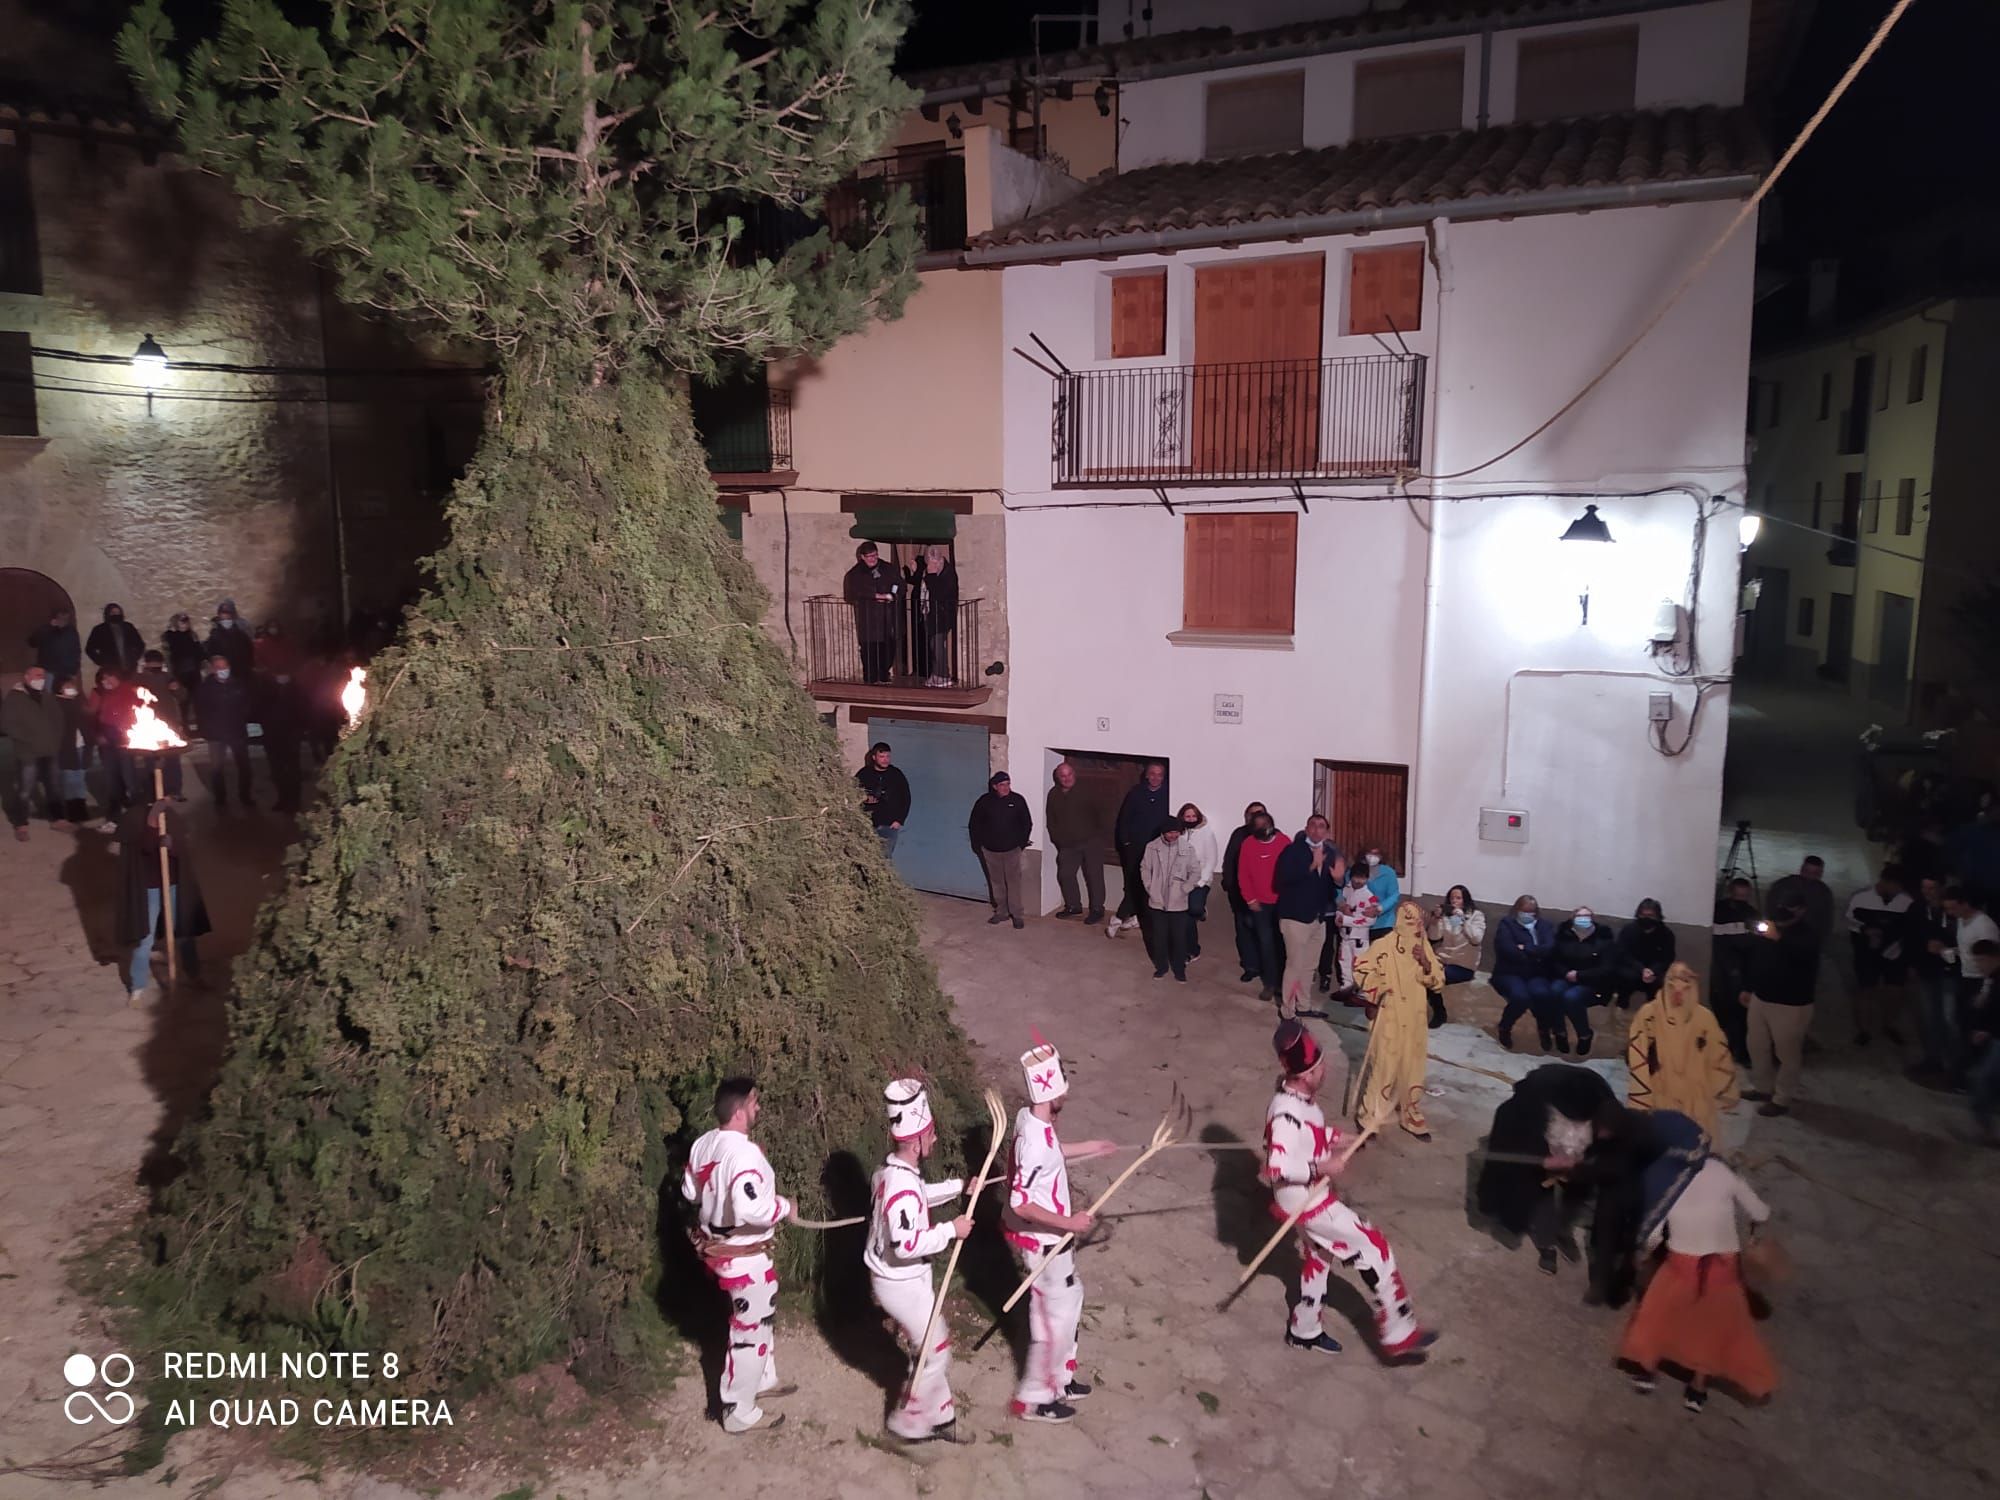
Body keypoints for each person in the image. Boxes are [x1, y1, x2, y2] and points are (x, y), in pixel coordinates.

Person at [1262, 1020, 1436, 1360]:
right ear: (1306, 1074)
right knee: (1374, 1247)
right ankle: (1399, 1333)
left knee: (1319, 1257)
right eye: (1319, 1067)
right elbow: (1277, 1168)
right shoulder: (1285, 1113)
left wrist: (1341, 1139)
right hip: (1305, 1199)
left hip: (1306, 1195)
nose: (1325, 1070)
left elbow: (1310, 1134)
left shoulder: (1298, 1099)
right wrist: (1322, 1168)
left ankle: (1304, 1329)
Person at [1003, 1037, 1116, 1425]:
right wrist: (1070, 1223)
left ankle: (1061, 1379)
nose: (1067, 1092)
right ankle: (1035, 1398)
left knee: (1070, 1300)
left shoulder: (1033, 1119)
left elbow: (1053, 1151)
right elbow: (1021, 1202)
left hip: (1054, 1238)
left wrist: (1091, 1147)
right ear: (1051, 1092)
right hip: (1044, 1241)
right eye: (1063, 1087)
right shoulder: (1034, 1141)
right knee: (1052, 1317)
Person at [1618, 1155, 1776, 1414]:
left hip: (1682, 1264)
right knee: (1713, 1329)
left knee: (1656, 1317)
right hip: (1723, 1268)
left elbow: (1653, 1232)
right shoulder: (1724, 1172)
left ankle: (1647, 1371)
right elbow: (1762, 1212)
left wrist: (1648, 1252)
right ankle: (1697, 1389)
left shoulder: (1668, 1178)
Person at [681, 1076, 795, 1435]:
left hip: (721, 1251)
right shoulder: (744, 1153)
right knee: (749, 1330)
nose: (758, 1107)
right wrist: (783, 1207)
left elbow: (690, 1191)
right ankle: (737, 1410)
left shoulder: (703, 1144)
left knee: (760, 1317)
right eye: (754, 1101)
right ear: (740, 1109)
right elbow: (749, 1209)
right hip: (743, 1258)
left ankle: (762, 1378)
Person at [865, 1078, 972, 1444]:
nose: (935, 1139)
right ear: (916, 1143)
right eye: (931, 1134)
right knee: (934, 1350)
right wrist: (951, 1230)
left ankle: (941, 1417)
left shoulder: (893, 1170)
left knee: (927, 1347)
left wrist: (959, 1187)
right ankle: (907, 1424)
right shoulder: (900, 1185)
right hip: (900, 1282)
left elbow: (919, 1194)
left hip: (904, 1279)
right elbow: (905, 1243)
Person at [1474, 1064, 1618, 1280]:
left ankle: (1564, 1231)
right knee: (1540, 1198)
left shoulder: (1601, 1106)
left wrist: (1585, 1160)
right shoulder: (1521, 1109)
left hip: (1577, 1165)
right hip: (1539, 1160)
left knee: (1578, 1195)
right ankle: (1546, 1246)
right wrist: (1543, 1160)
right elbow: (1510, 1147)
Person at [1350, 899, 1443, 1140]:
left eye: (1419, 923)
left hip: (1414, 1016)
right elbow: (1360, 969)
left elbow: (1438, 981)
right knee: (1384, 1067)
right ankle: (1369, 1117)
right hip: (1389, 1014)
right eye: (1412, 922)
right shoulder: (1383, 945)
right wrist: (1379, 988)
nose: (1417, 928)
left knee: (1413, 1066)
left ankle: (1410, 1114)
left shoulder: (1423, 947)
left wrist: (1425, 963)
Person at [1626, 961, 1739, 1138]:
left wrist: (1723, 1090)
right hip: (1660, 1091)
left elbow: (1718, 1057)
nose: (1678, 992)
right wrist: (1641, 1097)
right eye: (1672, 984)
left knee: (1695, 1142)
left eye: (1685, 984)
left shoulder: (1705, 1018)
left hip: (1695, 1097)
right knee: (1660, 1141)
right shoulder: (1648, 1015)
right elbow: (1638, 1055)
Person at [117, 799, 209, 1004]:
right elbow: (142, 849)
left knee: (184, 933)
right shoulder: (135, 817)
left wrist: (171, 846)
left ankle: (194, 975)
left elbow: (183, 850)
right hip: (149, 888)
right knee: (145, 938)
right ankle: (138, 987)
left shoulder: (171, 815)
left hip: (174, 885)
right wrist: (152, 824)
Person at [1741, 903, 1820, 1117]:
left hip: (1790, 1004)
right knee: (1756, 1046)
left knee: (1787, 1053)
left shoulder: (1807, 935)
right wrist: (1748, 987)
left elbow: (1804, 958)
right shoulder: (1769, 929)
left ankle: (1782, 1098)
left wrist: (1780, 939)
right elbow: (1756, 959)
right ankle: (1762, 1088)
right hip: (1761, 998)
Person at [1274, 815, 1343, 1020]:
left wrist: (1338, 880)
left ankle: (1303, 1006)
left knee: (1309, 966)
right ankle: (1287, 1011)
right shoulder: (1293, 851)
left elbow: (1329, 887)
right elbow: (1282, 879)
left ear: (1327, 832)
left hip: (1318, 918)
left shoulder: (1330, 853)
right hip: (1295, 917)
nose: (1316, 830)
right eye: (1313, 825)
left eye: (1321, 827)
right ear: (1306, 829)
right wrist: (1311, 866)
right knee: (1295, 964)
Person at [1845, 865, 1913, 1047]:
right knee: (1866, 990)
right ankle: (1864, 1030)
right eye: (1896, 886)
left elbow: (1911, 927)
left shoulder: (1906, 901)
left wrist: (1901, 947)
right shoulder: (1860, 897)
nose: (1898, 891)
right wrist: (1865, 930)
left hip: (1895, 954)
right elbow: (1849, 921)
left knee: (1895, 992)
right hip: (1866, 953)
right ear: (1885, 882)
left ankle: (1889, 1025)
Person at [1943, 886, 2000, 1088]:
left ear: (1965, 904)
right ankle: (1964, 1075)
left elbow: (1991, 960)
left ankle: (1973, 1076)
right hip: (1965, 978)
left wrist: (1985, 991)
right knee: (1962, 1026)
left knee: (1974, 1030)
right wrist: (1953, 952)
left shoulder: (1984, 926)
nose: (1950, 913)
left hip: (1980, 982)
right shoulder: (1961, 920)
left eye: (1953, 908)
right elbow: (1970, 950)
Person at [1109, 763, 1170, 948]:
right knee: (1134, 882)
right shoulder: (1136, 793)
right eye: (1152, 774)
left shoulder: (1168, 794)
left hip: (1157, 849)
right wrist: (1125, 842)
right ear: (1146, 775)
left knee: (1149, 884)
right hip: (1135, 847)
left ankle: (1125, 916)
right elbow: (1124, 819)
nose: (1155, 778)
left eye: (1159, 774)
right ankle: (1122, 916)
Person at [1907, 875, 1960, 1087]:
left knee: (1950, 1020)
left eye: (1932, 888)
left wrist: (1945, 946)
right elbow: (1910, 936)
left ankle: (1955, 1066)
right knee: (1930, 1018)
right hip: (1927, 970)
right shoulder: (1917, 908)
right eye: (1924, 887)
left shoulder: (1952, 909)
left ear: (1942, 888)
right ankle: (1934, 1059)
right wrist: (1912, 963)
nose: (1927, 892)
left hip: (1950, 973)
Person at [2, 666, 64, 840]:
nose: (41, 678)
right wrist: (28, 738)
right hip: (28, 752)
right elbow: (7, 724)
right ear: (27, 677)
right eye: (37, 675)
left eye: (43, 675)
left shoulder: (47, 696)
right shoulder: (14, 698)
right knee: (25, 789)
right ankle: (21, 824)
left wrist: (55, 739)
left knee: (54, 787)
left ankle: (58, 819)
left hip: (49, 750)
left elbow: (58, 719)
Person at [1236, 810, 1290, 1003]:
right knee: (1266, 944)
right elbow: (1243, 874)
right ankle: (1270, 983)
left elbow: (1292, 870)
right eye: (1257, 825)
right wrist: (1250, 899)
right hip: (1260, 905)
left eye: (1264, 824)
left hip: (1283, 902)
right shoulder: (1248, 844)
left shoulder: (1284, 842)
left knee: (1283, 943)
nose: (1262, 828)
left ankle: (1284, 984)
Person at [1491, 895, 1558, 1052]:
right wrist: (1536, 954)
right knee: (1520, 997)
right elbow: (1508, 949)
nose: (1527, 915)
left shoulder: (1545, 926)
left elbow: (1549, 948)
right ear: (1517, 910)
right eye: (1524, 911)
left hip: (1536, 973)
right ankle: (1505, 1027)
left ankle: (1543, 1029)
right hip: (1510, 972)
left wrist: (1526, 948)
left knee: (1542, 994)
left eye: (1531, 911)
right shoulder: (1507, 924)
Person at [1140, 817, 1203, 982]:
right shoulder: (1152, 847)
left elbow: (1195, 871)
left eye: (1176, 832)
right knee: (1159, 937)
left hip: (1178, 901)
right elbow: (1145, 868)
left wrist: (1185, 888)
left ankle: (1180, 969)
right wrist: (1150, 887)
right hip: (1157, 900)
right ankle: (1161, 967)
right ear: (1163, 832)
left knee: (1178, 937)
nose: (1173, 835)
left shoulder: (1187, 848)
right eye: (1170, 832)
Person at [1550, 905, 1619, 1055]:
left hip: (1591, 982)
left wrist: (1580, 975)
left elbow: (1607, 968)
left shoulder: (1603, 940)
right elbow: (1555, 959)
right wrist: (1566, 973)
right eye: (1579, 916)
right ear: (1573, 919)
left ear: (1592, 919)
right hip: (1566, 977)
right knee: (1554, 991)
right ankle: (1559, 1031)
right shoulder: (1564, 936)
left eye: (1587, 916)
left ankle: (1584, 1034)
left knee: (1571, 997)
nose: (1583, 919)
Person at [969, 772, 1032, 929]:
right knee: (996, 882)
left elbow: (1027, 823)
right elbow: (974, 824)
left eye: (1008, 784)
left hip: (1012, 850)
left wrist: (1020, 844)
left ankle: (1017, 914)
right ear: (995, 786)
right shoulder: (984, 802)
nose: (1006, 788)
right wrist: (978, 845)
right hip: (990, 851)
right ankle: (1001, 912)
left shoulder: (1017, 800)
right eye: (1002, 785)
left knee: (1013, 882)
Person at [1709, 877, 1762, 1063]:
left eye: (1744, 896)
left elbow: (1756, 946)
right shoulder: (1718, 911)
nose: (1741, 900)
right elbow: (1719, 944)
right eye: (1738, 895)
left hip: (1742, 971)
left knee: (1742, 1013)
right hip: (1723, 970)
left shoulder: (1752, 914)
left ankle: (1742, 1051)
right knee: (1723, 1010)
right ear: (1730, 893)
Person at [1045, 761, 1105, 924]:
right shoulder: (1054, 794)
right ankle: (1073, 906)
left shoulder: (1088, 791)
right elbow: (1051, 819)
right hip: (1067, 845)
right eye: (1062, 776)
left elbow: (1102, 813)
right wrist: (1057, 839)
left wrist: (1099, 836)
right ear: (1058, 778)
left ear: (1074, 774)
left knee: (1094, 876)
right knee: (1065, 874)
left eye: (1069, 774)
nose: (1067, 778)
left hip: (1091, 841)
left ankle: (1097, 909)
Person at [193, 653, 255, 809]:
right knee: (216, 768)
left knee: (244, 766)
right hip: (215, 734)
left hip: (236, 730)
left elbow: (247, 702)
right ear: (213, 670)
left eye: (225, 667)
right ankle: (220, 799)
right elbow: (200, 710)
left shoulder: (238, 684)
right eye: (219, 667)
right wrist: (206, 729)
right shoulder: (205, 688)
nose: (223, 670)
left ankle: (245, 796)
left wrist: (243, 717)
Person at [1220, 801, 1271, 981]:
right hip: (1241, 893)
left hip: (1267, 895)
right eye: (1252, 814)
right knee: (1244, 931)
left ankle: (1267, 966)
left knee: (1266, 933)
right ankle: (1251, 966)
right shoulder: (1239, 835)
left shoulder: (1275, 836)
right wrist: (1229, 884)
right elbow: (1229, 860)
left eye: (1259, 813)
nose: (1256, 817)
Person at [842, 542, 900, 684]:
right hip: (868, 618)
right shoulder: (854, 574)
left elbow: (898, 584)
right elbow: (851, 594)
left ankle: (884, 675)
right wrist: (874, 596)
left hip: (887, 616)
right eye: (869, 556)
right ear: (862, 557)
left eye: (875, 555)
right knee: (869, 649)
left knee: (888, 647)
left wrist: (892, 595)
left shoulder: (888, 568)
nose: (873, 559)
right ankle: (870, 677)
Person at [132, 651, 187, 800]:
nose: (155, 668)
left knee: (172, 759)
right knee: (151, 760)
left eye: (158, 665)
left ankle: (174, 790)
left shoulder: (168, 677)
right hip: (148, 725)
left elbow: (182, 696)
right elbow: (133, 699)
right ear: (146, 664)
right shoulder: (138, 679)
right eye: (152, 665)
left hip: (170, 724)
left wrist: (177, 688)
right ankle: (155, 791)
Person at [1963, 940, 2000, 1145]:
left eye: (1981, 960)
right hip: (1995, 1038)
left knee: (1981, 1078)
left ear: (1995, 958)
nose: (1978, 965)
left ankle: (1986, 1131)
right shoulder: (1993, 978)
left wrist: (1988, 1030)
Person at [257, 667, 306, 814]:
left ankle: (295, 801)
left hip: (291, 734)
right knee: (277, 769)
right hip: (272, 735)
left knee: (292, 769)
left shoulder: (296, 689)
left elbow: (303, 710)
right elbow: (259, 708)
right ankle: (283, 798)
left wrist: (300, 730)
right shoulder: (266, 687)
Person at [1176, 803, 1219, 960]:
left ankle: (1200, 910)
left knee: (1194, 909)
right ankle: (1190, 950)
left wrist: (1201, 881)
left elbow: (1211, 859)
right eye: (1187, 816)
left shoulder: (1206, 833)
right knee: (1184, 916)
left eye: (1193, 816)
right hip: (1181, 881)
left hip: (1200, 880)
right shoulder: (1178, 833)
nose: (1191, 819)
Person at [1614, 898, 1675, 1007]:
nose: (1646, 919)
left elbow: (1668, 958)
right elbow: (1622, 953)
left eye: (1650, 916)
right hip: (1632, 968)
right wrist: (1641, 969)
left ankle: (1654, 1011)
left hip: (1655, 971)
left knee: (1659, 984)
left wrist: (1653, 971)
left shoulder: (1666, 934)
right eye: (1643, 915)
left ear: (1658, 916)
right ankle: (1622, 1008)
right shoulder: (1628, 930)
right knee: (1624, 978)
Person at [1333, 864, 1382, 998]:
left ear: (1367, 878)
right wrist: (1339, 917)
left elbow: (1370, 920)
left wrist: (1347, 920)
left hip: (1359, 938)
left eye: (1362, 878)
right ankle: (1346, 988)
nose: (1358, 881)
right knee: (1344, 962)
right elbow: (1339, 908)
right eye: (1356, 877)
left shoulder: (1370, 897)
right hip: (1345, 935)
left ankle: (1363, 992)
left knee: (1360, 964)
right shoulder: (1346, 890)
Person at [911, 546, 958, 687]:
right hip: (930, 613)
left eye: (936, 562)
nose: (933, 565)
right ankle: (937, 674)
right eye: (931, 562)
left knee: (938, 645)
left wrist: (931, 576)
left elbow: (939, 593)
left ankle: (943, 676)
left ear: (940, 559)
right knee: (933, 645)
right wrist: (915, 572)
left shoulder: (948, 573)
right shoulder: (928, 570)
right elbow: (922, 584)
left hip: (942, 615)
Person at [856, 742, 911, 855]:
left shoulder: (896, 774)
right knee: (865, 856)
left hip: (889, 825)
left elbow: (906, 798)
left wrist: (899, 820)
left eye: (887, 756)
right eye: (882, 756)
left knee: (884, 857)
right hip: (867, 823)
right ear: (874, 757)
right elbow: (853, 793)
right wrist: (865, 798)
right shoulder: (864, 774)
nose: (885, 760)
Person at [1427, 885, 1485, 986]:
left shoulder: (1476, 915)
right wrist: (1436, 920)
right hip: (1442, 960)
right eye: (1452, 898)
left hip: (1463, 965)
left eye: (1458, 898)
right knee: (1420, 970)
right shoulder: (1446, 916)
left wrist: (1463, 919)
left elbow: (1476, 939)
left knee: (1436, 976)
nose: (1454, 901)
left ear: (1465, 900)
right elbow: (1434, 937)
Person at [52, 677, 91, 825]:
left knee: (80, 780)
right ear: (60, 688)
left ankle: (81, 810)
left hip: (81, 746)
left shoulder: (78, 701)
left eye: (72, 685)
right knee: (70, 780)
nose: (71, 688)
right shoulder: (56, 704)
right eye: (67, 685)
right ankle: (72, 811)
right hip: (66, 748)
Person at [85, 604, 146, 676]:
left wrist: (134, 658)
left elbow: (140, 645)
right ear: (108, 614)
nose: (116, 615)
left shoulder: (128, 627)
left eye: (118, 612)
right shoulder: (100, 630)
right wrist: (102, 661)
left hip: (130, 668)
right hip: (110, 670)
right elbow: (90, 649)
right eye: (113, 613)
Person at [161, 611, 206, 706]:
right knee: (182, 699)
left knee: (196, 698)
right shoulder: (169, 637)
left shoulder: (192, 635)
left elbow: (199, 652)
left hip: (194, 671)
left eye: (186, 621)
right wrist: (171, 675)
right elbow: (168, 656)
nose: (184, 624)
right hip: (179, 672)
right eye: (182, 621)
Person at [28, 606, 81, 684]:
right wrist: (49, 627)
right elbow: (32, 642)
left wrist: (74, 670)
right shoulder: (46, 629)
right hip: (49, 670)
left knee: (65, 690)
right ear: (55, 618)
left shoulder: (71, 632)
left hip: (66, 672)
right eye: (61, 618)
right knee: (48, 690)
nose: (63, 621)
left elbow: (76, 651)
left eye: (66, 619)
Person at [203, 599, 255, 677]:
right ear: (219, 616)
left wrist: (249, 669)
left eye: (228, 618)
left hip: (241, 673)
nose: (226, 620)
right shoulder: (214, 637)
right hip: (224, 675)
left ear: (232, 617)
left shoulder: (241, 635)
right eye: (223, 618)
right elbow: (210, 655)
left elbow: (249, 653)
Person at [1361, 843, 1400, 946]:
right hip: (1360, 922)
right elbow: (1345, 890)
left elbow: (1394, 895)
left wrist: (1379, 909)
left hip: (1384, 923)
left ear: (1381, 856)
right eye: (1369, 853)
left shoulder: (1389, 873)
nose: (1372, 857)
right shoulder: (1356, 870)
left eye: (1376, 854)